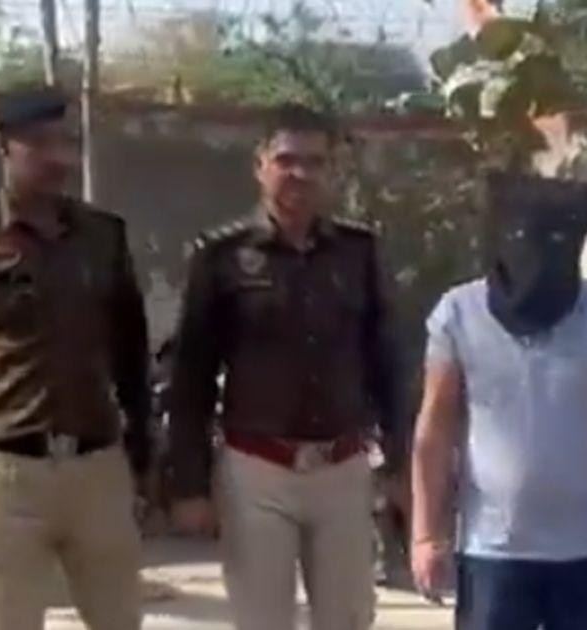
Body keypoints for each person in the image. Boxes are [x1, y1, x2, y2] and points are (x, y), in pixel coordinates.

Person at [167, 103, 403, 630]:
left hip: (342, 467)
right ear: (260, 165)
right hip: (257, 470)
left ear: (333, 171)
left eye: (315, 162)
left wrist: (400, 463)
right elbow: (191, 378)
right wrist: (189, 485)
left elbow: (386, 361)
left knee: (347, 619)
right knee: (262, 620)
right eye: (286, 160)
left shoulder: (359, 253)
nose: (300, 174)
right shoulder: (220, 256)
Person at [0, 84, 150, 630]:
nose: (57, 157)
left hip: (97, 469)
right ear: (6, 146)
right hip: (5, 475)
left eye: (66, 142)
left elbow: (131, 356)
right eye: (40, 143)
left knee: (120, 620)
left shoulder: (104, 236)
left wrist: (143, 459)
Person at [410, 173, 587, 630]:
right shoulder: (459, 313)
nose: (543, 261)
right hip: (491, 551)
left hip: (586, 551)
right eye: (531, 241)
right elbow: (435, 430)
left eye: (559, 245)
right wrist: (426, 535)